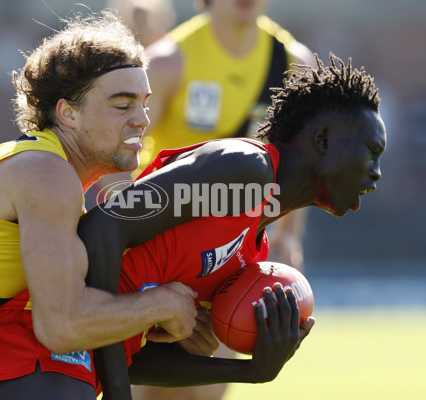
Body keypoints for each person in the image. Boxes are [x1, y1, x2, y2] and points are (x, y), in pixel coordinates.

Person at [0, 52, 386, 400]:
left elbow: (127, 355)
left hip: (56, 371)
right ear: (323, 140)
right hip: (29, 352)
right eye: (371, 152)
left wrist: (251, 371)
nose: (376, 173)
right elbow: (105, 224)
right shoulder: (246, 168)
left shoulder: (250, 250)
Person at [0, 11, 201, 399]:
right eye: (122, 105)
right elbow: (61, 327)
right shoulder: (47, 175)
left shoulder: (42, 168)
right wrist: (161, 303)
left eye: (144, 103)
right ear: (68, 113)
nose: (142, 120)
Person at [134, 1, 314, 397]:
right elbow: (122, 156)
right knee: (150, 388)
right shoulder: (167, 61)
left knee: (207, 388)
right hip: (163, 255)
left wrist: (288, 236)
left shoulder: (293, 64)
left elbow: (302, 163)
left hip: (232, 260)